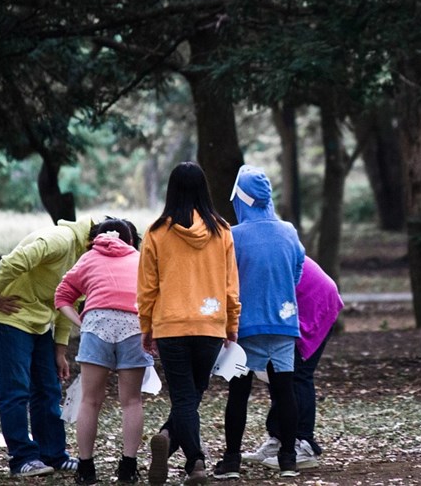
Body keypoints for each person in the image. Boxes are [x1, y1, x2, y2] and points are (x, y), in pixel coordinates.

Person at [138, 162, 241, 486]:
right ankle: (193, 461)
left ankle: (173, 441)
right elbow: (230, 284)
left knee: (185, 396)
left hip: (170, 326)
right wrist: (232, 323)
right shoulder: (222, 230)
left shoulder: (156, 232)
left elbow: (147, 287)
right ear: (204, 189)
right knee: (192, 395)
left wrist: (146, 326)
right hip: (209, 325)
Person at [213, 165, 306, 480]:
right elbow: (297, 272)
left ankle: (232, 461)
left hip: (245, 326)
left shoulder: (233, 235)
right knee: (284, 392)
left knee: (238, 394)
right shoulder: (289, 231)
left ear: (240, 198)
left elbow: (226, 280)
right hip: (283, 323)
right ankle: (288, 459)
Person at [0, 216, 93, 477]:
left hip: (40, 322)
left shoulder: (86, 259)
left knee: (48, 388)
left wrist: (59, 350)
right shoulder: (60, 240)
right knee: (16, 390)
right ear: (94, 241)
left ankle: (53, 454)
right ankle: (22, 458)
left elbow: (69, 300)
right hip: (10, 317)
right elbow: (13, 261)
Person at [54, 217, 153, 484]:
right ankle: (128, 467)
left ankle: (85, 468)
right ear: (131, 240)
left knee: (90, 400)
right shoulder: (140, 259)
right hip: (134, 325)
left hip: (96, 325)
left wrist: (81, 321)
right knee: (131, 401)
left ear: (96, 237)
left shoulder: (87, 259)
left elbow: (61, 296)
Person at [243, 255, 343, 470]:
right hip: (293, 306)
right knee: (278, 372)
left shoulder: (242, 247)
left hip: (315, 302)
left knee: (297, 374)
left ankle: (304, 444)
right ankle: (279, 437)